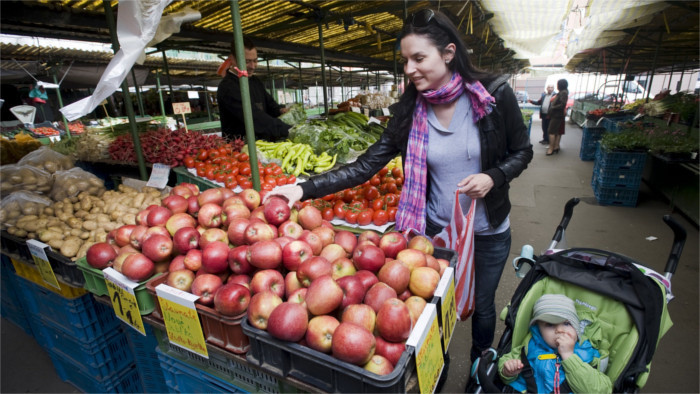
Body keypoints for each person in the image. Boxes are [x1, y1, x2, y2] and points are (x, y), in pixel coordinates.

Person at [266, 8, 533, 364]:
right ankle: (437, 368)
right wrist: (303, 188)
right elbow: (366, 165)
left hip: (489, 231)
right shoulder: (409, 111)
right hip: (437, 233)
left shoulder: (493, 96)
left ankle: (478, 370)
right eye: (406, 60)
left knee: (482, 306)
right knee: (435, 309)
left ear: (449, 53)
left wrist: (494, 176)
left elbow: (522, 150)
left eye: (419, 58)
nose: (409, 69)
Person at [498, 294, 612, 393]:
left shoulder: (587, 353)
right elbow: (506, 361)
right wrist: (507, 371)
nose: (560, 330)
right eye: (550, 325)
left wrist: (569, 356)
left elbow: (601, 390)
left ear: (577, 327)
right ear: (539, 330)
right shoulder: (530, 347)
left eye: (567, 323)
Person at [217, 36, 290, 141]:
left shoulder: (255, 81)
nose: (253, 66)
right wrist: (288, 129)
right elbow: (254, 118)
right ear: (232, 59)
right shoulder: (228, 87)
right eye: (247, 61)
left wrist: (280, 110)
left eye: (255, 60)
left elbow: (270, 105)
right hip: (239, 148)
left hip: (261, 143)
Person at [546, 79, 568, 155]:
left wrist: (553, 107)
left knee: (551, 131)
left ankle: (551, 148)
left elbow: (562, 104)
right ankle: (556, 146)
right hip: (558, 115)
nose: (557, 86)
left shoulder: (563, 93)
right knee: (557, 132)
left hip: (557, 115)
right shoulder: (562, 92)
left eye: (558, 84)